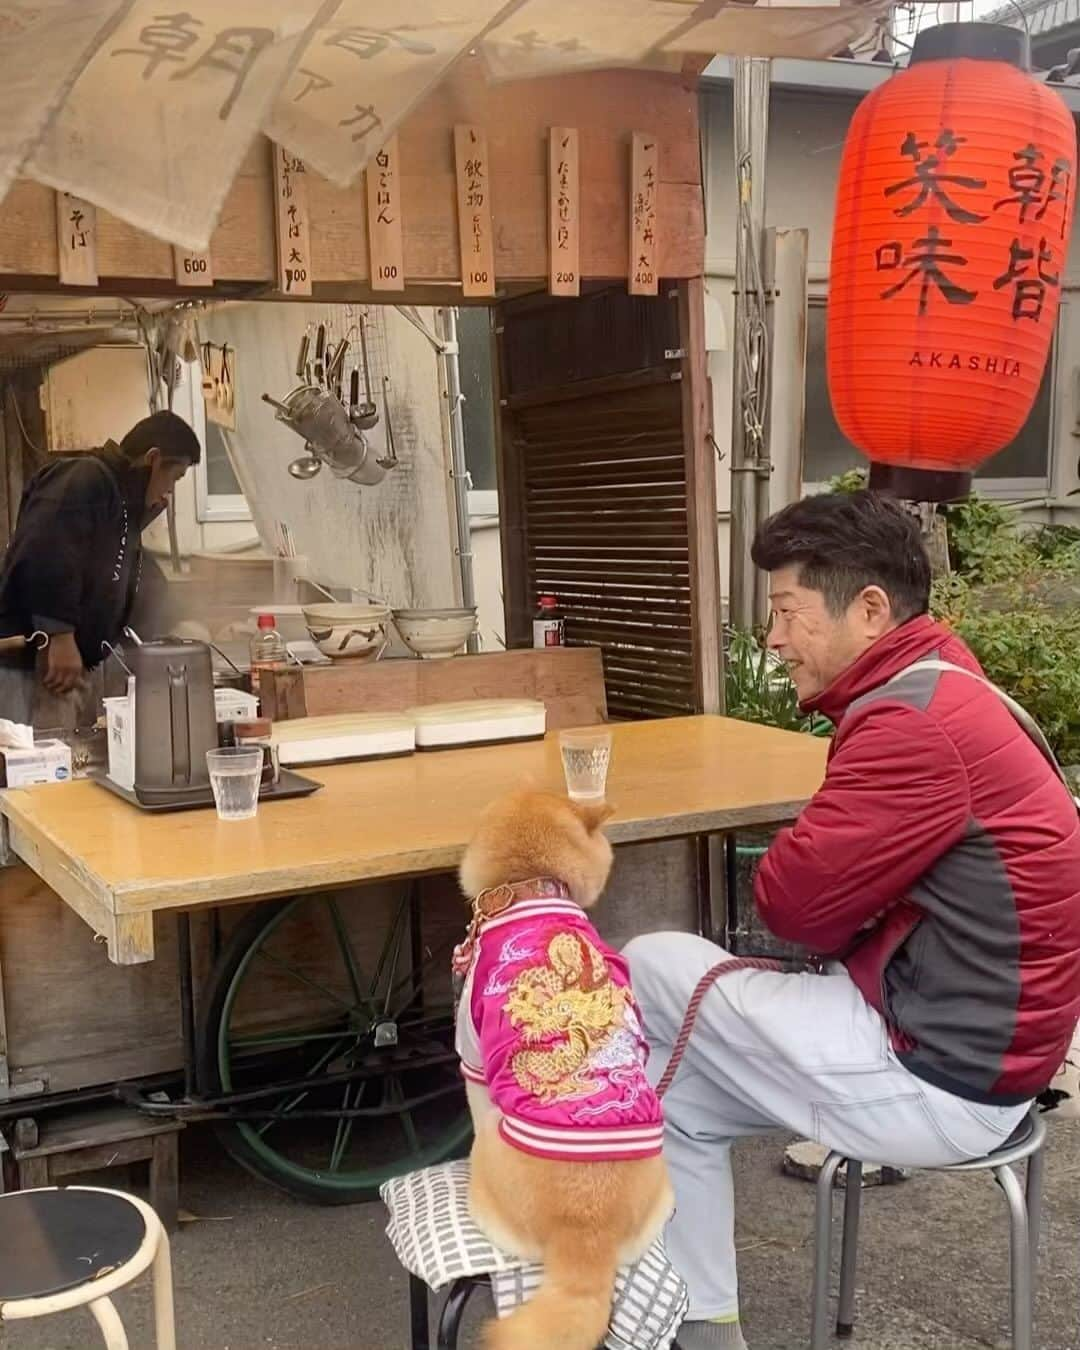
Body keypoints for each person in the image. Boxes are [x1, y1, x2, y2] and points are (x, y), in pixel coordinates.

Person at [626, 490, 1080, 1350]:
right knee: (667, 1094)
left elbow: (794, 908)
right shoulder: (944, 682)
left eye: (787, 611)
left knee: (648, 963)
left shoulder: (911, 726)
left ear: (869, 610)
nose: (774, 638)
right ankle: (699, 1330)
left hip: (941, 1072)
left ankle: (571, 1232)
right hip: (985, 1042)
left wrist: (825, 855)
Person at [0, 410, 201, 727]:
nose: (171, 490)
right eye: (174, 477)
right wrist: (60, 634)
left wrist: (178, 619)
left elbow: (117, 570)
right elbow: (47, 547)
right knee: (27, 765)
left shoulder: (119, 502)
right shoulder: (85, 476)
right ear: (153, 459)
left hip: (62, 670)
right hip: (27, 665)